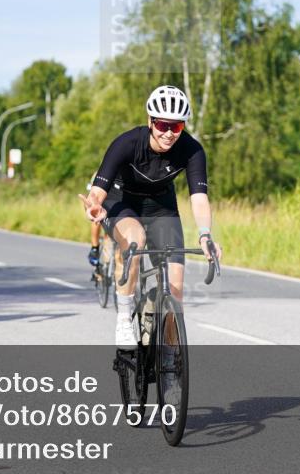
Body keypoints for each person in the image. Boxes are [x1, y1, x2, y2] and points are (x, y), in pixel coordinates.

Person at [78, 85, 222, 348]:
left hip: (160, 206)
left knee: (175, 290)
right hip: (122, 200)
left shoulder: (192, 150)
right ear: (150, 121)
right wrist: (95, 206)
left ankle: (168, 358)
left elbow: (199, 197)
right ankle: (124, 318)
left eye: (176, 127)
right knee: (135, 239)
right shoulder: (127, 143)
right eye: (163, 125)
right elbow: (98, 189)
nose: (169, 133)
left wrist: (204, 234)